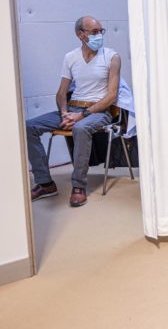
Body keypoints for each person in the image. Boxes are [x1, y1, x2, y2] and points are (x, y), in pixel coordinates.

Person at [27, 15, 121, 207]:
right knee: (29, 126)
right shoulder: (70, 57)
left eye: (101, 31)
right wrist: (64, 113)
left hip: (99, 111)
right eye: (94, 32)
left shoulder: (112, 57)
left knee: (80, 128)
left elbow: (111, 97)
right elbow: (61, 93)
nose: (99, 35)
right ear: (80, 34)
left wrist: (81, 115)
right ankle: (45, 183)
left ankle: (78, 186)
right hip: (72, 108)